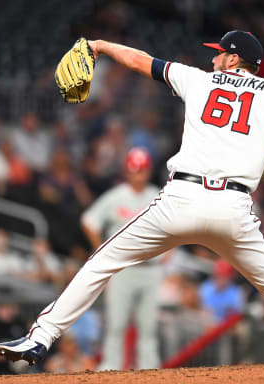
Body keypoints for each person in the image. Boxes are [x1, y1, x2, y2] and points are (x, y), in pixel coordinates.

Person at [0, 30, 264, 365]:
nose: (214, 57)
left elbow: (140, 60)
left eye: (219, 52)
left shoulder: (198, 80)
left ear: (234, 58)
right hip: (233, 210)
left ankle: (40, 337)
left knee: (103, 261)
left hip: (181, 199)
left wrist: (99, 44)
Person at [81, 147, 163, 370]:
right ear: (127, 171)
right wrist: (102, 251)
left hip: (151, 269)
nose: (139, 175)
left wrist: (170, 250)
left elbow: (174, 226)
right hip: (123, 269)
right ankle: (110, 367)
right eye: (134, 170)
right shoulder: (117, 196)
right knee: (117, 323)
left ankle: (150, 369)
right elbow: (89, 221)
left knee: (148, 326)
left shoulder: (157, 196)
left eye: (142, 170)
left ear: (148, 171)